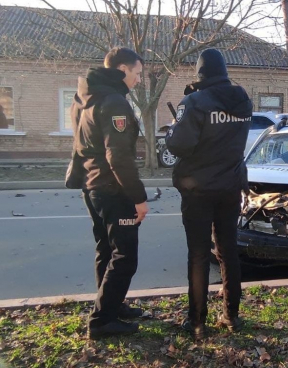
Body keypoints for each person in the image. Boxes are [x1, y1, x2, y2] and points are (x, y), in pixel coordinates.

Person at [166, 48, 252, 342]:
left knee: (199, 255)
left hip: (198, 189)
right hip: (230, 187)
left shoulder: (194, 101)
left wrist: (173, 127)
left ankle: (197, 322)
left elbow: (178, 144)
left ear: (201, 73)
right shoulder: (242, 99)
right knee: (229, 251)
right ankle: (232, 315)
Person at [70, 47, 149, 340]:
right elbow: (118, 157)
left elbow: (81, 147)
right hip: (113, 189)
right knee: (125, 256)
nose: (138, 80)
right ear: (121, 70)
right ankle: (102, 321)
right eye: (137, 73)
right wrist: (139, 198)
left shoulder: (85, 97)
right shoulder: (115, 102)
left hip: (92, 186)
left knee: (106, 249)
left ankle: (111, 306)